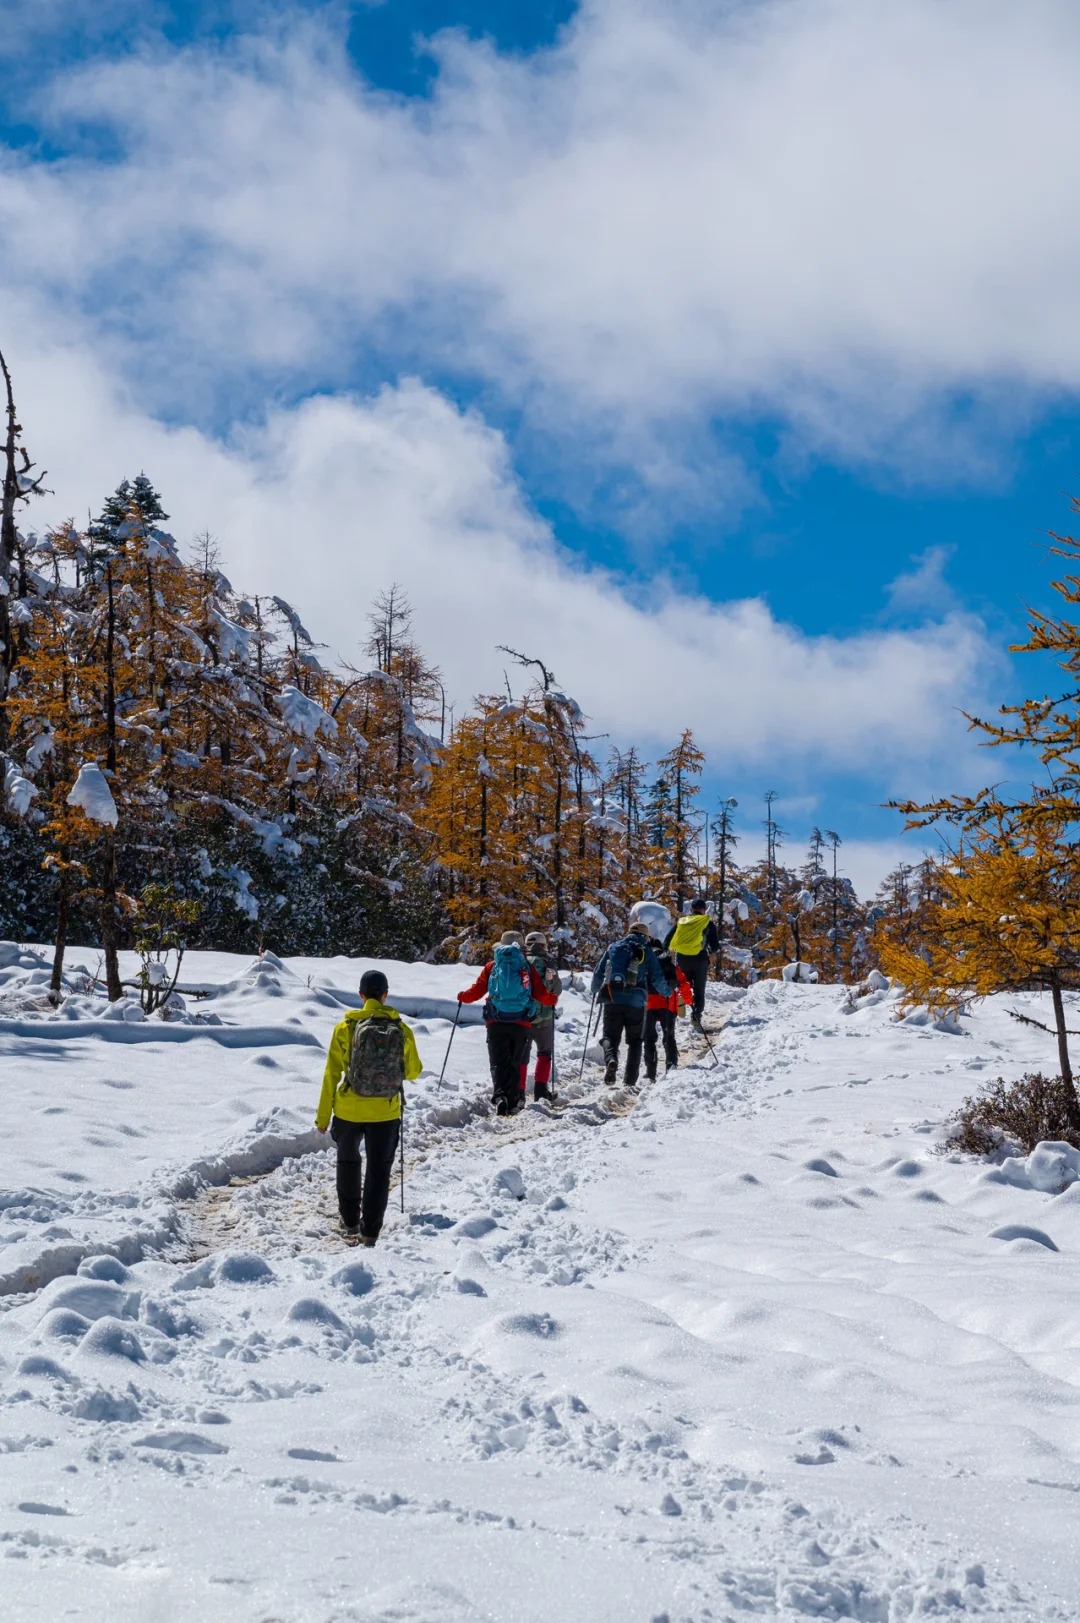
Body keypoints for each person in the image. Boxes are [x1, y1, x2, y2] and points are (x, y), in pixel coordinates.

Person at [315, 968, 422, 1245]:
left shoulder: (345, 1027)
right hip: (385, 1112)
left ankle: (349, 1221)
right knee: (379, 1169)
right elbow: (413, 1072)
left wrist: (323, 1116)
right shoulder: (401, 1029)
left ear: (361, 995)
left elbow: (332, 1074)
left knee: (348, 1162)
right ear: (385, 996)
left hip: (348, 1110)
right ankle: (370, 1231)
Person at [458, 930, 558, 1115]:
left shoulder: (492, 966)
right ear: (521, 946)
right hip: (521, 1021)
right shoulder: (526, 966)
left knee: (498, 1061)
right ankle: (512, 1102)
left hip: (495, 1021)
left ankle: (500, 1096)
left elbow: (478, 990)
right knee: (515, 1060)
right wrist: (552, 1000)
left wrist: (463, 997)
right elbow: (540, 993)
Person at [591, 919, 671, 1089]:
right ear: (645, 936)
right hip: (636, 1002)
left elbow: (598, 971)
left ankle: (611, 1060)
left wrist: (594, 989)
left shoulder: (613, 947)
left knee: (609, 1037)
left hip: (612, 999)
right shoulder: (646, 951)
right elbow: (656, 976)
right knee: (635, 1041)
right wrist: (667, 992)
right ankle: (629, 1081)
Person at [664, 897, 720, 1028]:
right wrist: (712, 954)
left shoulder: (682, 921)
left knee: (684, 984)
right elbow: (714, 945)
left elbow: (668, 939)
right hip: (700, 959)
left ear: (691, 910)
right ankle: (696, 1016)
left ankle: (680, 1001)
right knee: (699, 989)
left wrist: (663, 953)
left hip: (683, 958)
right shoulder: (707, 923)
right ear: (704, 910)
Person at [644, 941, 693, 1080]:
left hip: (650, 1004)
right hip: (668, 1004)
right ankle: (671, 1065)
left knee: (649, 1038)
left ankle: (650, 1072)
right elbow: (682, 982)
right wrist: (689, 1001)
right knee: (669, 1036)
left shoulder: (646, 961)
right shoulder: (668, 962)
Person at [521, 931, 561, 1103]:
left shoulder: (520, 962)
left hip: (522, 1016)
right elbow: (557, 989)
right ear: (543, 945)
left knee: (522, 1056)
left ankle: (519, 1093)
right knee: (544, 1053)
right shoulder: (547, 963)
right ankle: (541, 1091)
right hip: (544, 1015)